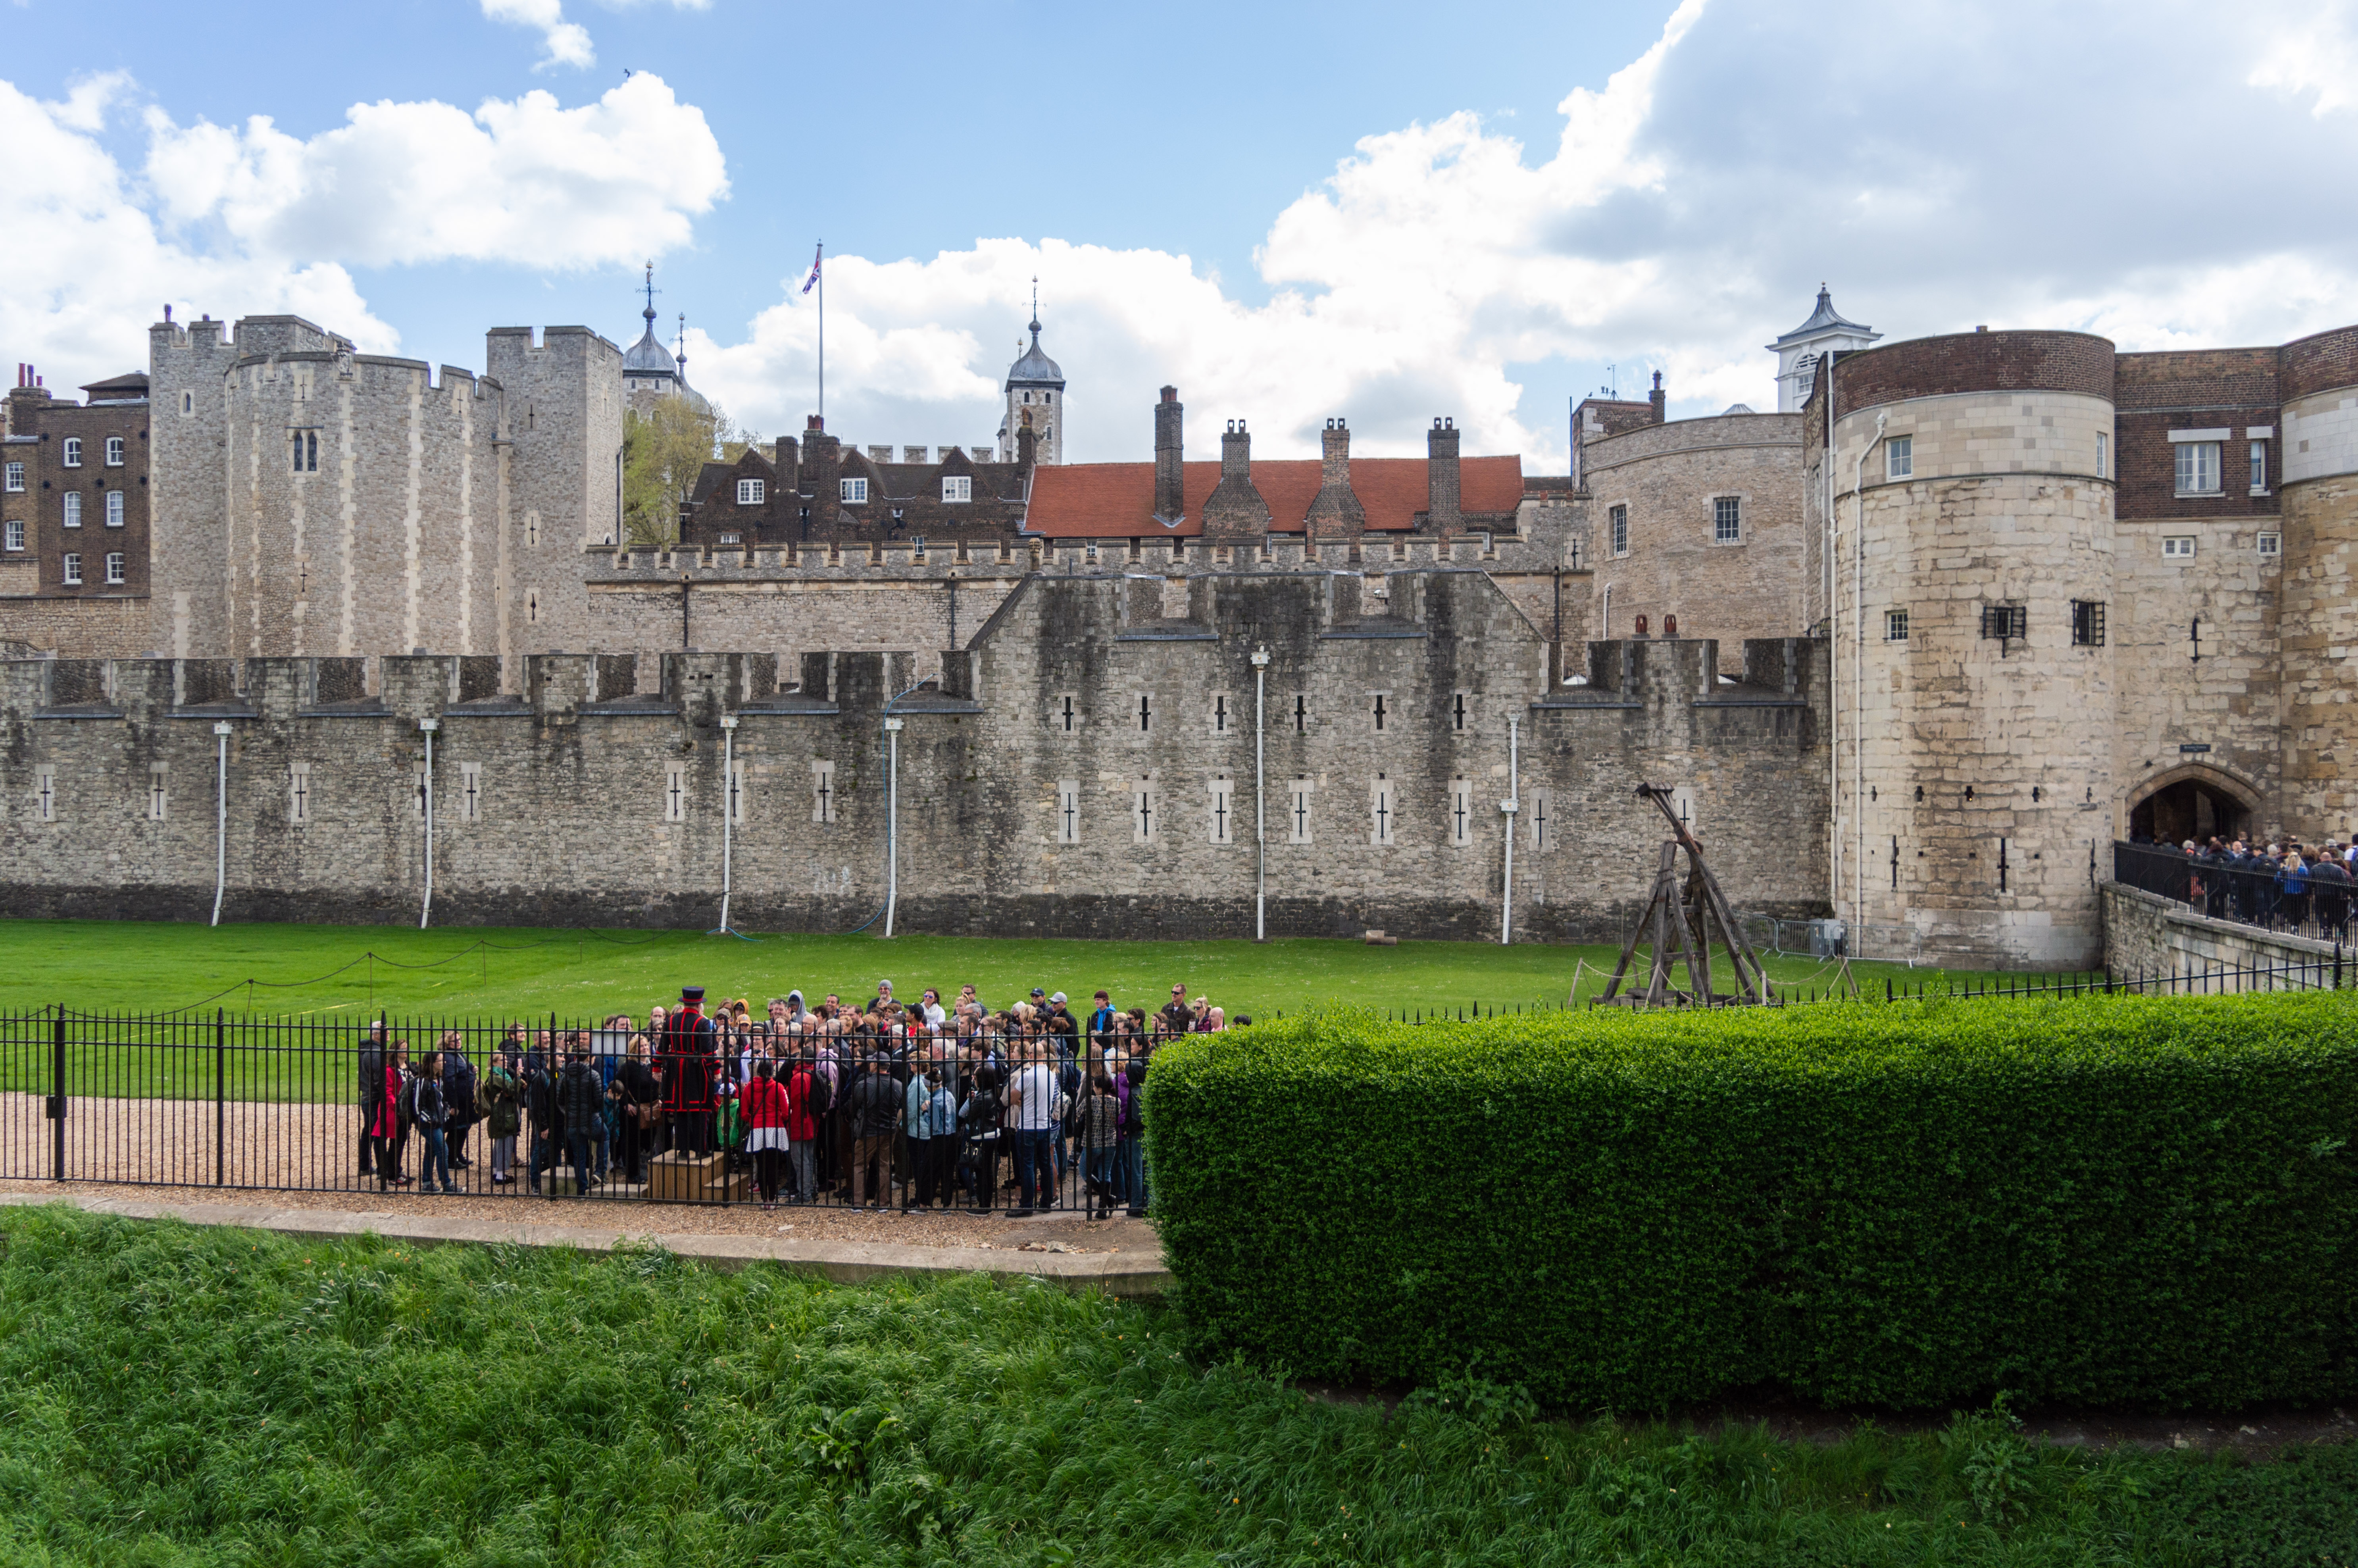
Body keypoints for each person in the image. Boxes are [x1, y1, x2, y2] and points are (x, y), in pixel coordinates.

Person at [661, 986, 720, 1156]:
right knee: (700, 1110)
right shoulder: (702, 1022)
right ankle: (701, 1150)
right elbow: (709, 1051)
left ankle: (683, 1149)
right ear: (699, 1005)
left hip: (676, 1070)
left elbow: (662, 1049)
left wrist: (657, 1067)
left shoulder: (670, 1021)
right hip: (696, 1070)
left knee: (680, 1110)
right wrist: (716, 1070)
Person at [1006, 1037, 1059, 1216]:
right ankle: (1046, 1201)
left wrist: (1022, 1100)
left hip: (1028, 1126)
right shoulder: (1051, 1075)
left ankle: (1027, 1204)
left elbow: (1012, 1099)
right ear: (1044, 1056)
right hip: (1045, 1125)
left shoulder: (1027, 1076)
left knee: (1027, 1166)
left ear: (1030, 1055)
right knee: (1045, 1164)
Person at [847, 1046, 899, 1209]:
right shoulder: (898, 1085)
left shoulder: (864, 1085)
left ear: (876, 1066)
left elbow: (852, 1108)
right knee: (885, 1165)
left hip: (868, 1131)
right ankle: (883, 1203)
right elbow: (901, 1108)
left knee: (860, 1165)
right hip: (889, 1130)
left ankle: (858, 1203)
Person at [906, 1061, 959, 1211]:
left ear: (930, 1086)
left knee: (929, 1172)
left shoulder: (935, 1101)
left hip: (938, 1139)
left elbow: (933, 1126)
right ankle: (946, 1205)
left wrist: (925, 1112)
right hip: (952, 1136)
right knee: (948, 1172)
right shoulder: (949, 1096)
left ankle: (923, 1204)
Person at [612, 1034, 663, 1183]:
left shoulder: (653, 1064)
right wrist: (626, 1104)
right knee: (633, 1143)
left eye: (646, 1045)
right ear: (634, 1050)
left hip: (652, 1110)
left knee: (649, 1142)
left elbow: (660, 1084)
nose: (645, 1048)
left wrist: (660, 1099)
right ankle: (633, 1174)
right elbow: (616, 1086)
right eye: (641, 1046)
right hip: (634, 1112)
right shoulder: (628, 1067)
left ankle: (647, 1172)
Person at [741, 1058, 791, 1208]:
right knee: (773, 1165)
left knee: (762, 1165)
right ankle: (772, 1200)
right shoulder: (778, 1087)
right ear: (772, 1071)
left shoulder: (750, 1088)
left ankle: (764, 1201)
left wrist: (753, 1119)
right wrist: (780, 1119)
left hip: (758, 1128)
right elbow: (786, 1111)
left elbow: (744, 1113)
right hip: (775, 1127)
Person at [556, 1047, 602, 1197]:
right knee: (605, 1136)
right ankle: (600, 1171)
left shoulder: (566, 1075)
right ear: (589, 1058)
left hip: (572, 1122)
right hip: (590, 1120)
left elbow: (561, 1100)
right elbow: (599, 1101)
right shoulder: (594, 1075)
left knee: (579, 1156)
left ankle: (582, 1190)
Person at [1075, 1065, 1121, 1218]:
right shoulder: (1117, 1102)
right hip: (1110, 1143)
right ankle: (1103, 1207)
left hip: (1093, 1142)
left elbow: (1077, 1113)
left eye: (1094, 1086)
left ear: (1099, 1088)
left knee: (1085, 1172)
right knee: (1105, 1174)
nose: (1093, 1088)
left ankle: (1108, 1199)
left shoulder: (1091, 1101)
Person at [411, 1049, 456, 1194]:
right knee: (443, 1150)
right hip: (428, 1124)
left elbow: (442, 1101)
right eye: (440, 1061)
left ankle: (427, 1183)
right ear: (431, 1064)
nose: (444, 1063)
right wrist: (430, 1120)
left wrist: (446, 1112)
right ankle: (447, 1183)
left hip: (438, 1122)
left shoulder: (438, 1079)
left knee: (431, 1152)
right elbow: (418, 1107)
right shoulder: (422, 1081)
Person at [783, 1049, 824, 1203]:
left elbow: (789, 1099)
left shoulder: (799, 1078)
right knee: (810, 1158)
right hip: (812, 1122)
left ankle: (804, 1194)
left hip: (799, 1122)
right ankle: (812, 1189)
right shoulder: (815, 1074)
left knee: (800, 1161)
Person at [366, 1038, 406, 1190]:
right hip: (394, 1110)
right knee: (392, 1140)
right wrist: (397, 1106)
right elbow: (388, 1091)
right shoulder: (390, 1069)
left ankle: (396, 1170)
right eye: (404, 1048)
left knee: (400, 1141)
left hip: (404, 1110)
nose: (407, 1051)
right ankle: (390, 1173)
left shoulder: (408, 1066)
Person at [439, 1031, 479, 1174]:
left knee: (464, 1127)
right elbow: (449, 1080)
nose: (458, 1042)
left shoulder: (459, 1054)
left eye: (459, 1040)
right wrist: (453, 1104)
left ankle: (457, 1154)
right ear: (446, 1044)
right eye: (454, 1041)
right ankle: (450, 1160)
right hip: (459, 1099)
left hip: (466, 1098)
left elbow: (464, 1069)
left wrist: (472, 1070)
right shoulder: (449, 1058)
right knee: (457, 1129)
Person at [481, 1050, 522, 1186]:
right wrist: (517, 1077)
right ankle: (500, 1176)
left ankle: (497, 1173)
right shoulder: (497, 1078)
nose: (506, 1062)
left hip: (503, 1115)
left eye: (506, 1059)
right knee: (505, 1144)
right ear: (494, 1063)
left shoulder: (501, 1076)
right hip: (503, 1116)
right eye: (502, 1060)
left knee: (500, 1145)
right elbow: (511, 1092)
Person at [356, 1021, 389, 1179]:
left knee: (368, 1132)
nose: (388, 1033)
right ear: (376, 1035)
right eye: (385, 1031)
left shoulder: (370, 1050)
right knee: (378, 1133)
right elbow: (380, 1080)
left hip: (368, 1097)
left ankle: (364, 1166)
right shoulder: (376, 1053)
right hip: (375, 1099)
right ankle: (383, 1170)